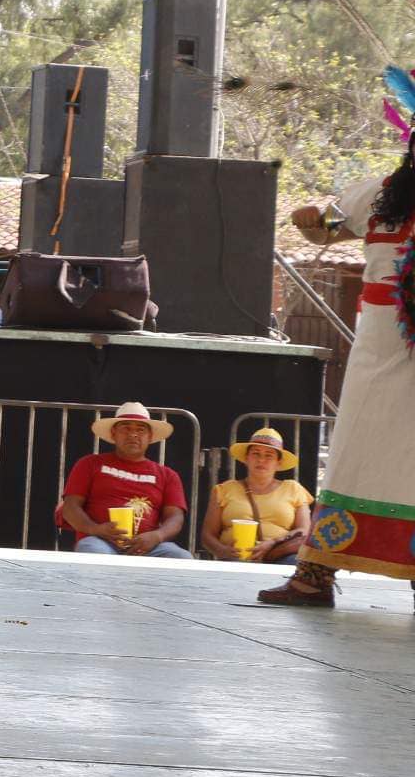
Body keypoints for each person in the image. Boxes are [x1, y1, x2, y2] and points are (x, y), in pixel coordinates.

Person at [262, 87, 415, 608]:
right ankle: (314, 575)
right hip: (380, 345)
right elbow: (324, 229)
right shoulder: (378, 194)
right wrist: (308, 220)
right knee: (354, 453)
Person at [60, 402, 192, 558]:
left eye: (140, 429)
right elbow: (70, 508)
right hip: (100, 541)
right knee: (92, 551)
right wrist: (96, 529)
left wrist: (157, 536)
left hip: (149, 546)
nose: (133, 434)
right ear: (113, 433)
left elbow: (176, 517)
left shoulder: (168, 475)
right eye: (126, 428)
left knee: (182, 558)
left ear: (150, 437)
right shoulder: (89, 464)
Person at [202, 426, 311, 564]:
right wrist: (222, 551)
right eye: (256, 454)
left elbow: (304, 530)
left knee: (298, 566)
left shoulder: (294, 489)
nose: (261, 460)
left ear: (279, 463)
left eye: (269, 455)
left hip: (280, 556)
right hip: (236, 557)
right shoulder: (224, 489)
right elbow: (207, 535)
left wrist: (273, 543)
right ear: (246, 458)